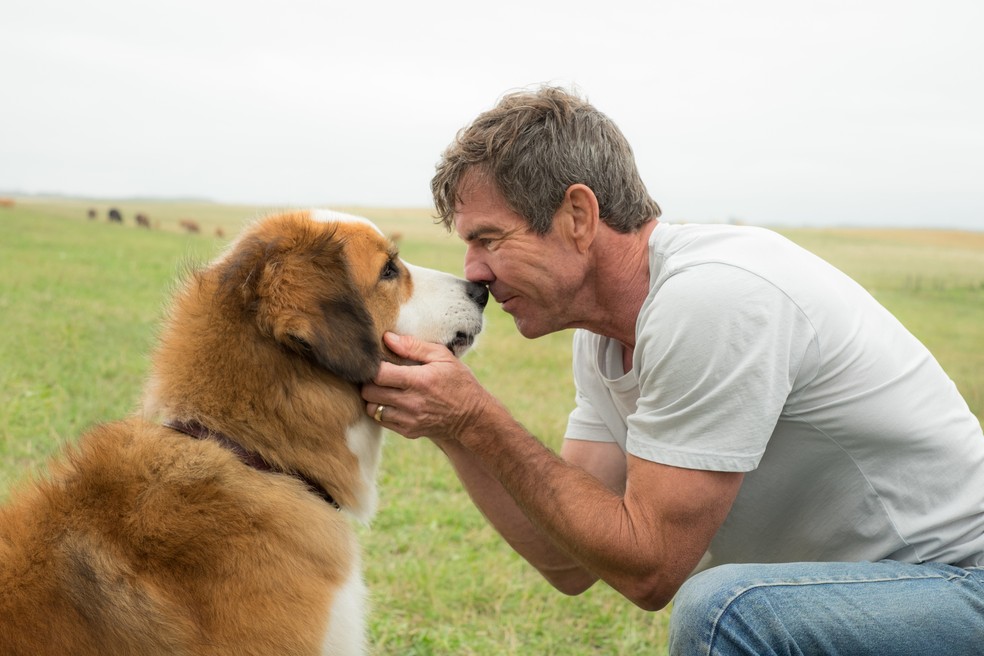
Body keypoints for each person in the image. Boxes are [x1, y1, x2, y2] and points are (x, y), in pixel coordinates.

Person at [360, 86, 984, 654]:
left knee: (727, 612)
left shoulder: (713, 297)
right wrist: (452, 426)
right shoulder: (605, 337)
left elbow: (650, 568)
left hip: (960, 585)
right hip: (863, 597)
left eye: (490, 239)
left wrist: (477, 417)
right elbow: (571, 559)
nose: (472, 271)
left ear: (578, 216)